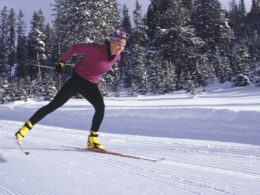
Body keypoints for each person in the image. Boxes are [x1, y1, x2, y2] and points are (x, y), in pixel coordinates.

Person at [15, 30, 127, 150]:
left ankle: (92, 139)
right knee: (53, 105)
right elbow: (74, 48)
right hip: (77, 81)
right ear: (111, 42)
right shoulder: (95, 48)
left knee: (100, 108)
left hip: (91, 85)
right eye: (117, 43)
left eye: (123, 44)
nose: (120, 47)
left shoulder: (117, 57)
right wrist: (62, 61)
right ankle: (25, 128)